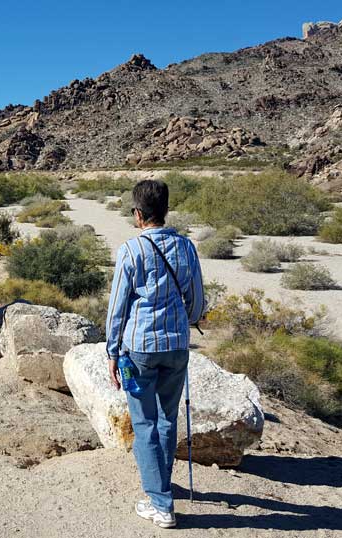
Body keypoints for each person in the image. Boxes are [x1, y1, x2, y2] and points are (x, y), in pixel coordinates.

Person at [105, 180, 205, 529]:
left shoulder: (131, 250)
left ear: (138, 214)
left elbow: (117, 307)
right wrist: (185, 321)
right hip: (177, 347)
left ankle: (160, 503)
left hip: (140, 349)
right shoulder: (186, 247)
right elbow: (196, 300)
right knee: (167, 418)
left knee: (145, 423)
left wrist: (112, 351)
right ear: (164, 210)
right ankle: (162, 483)